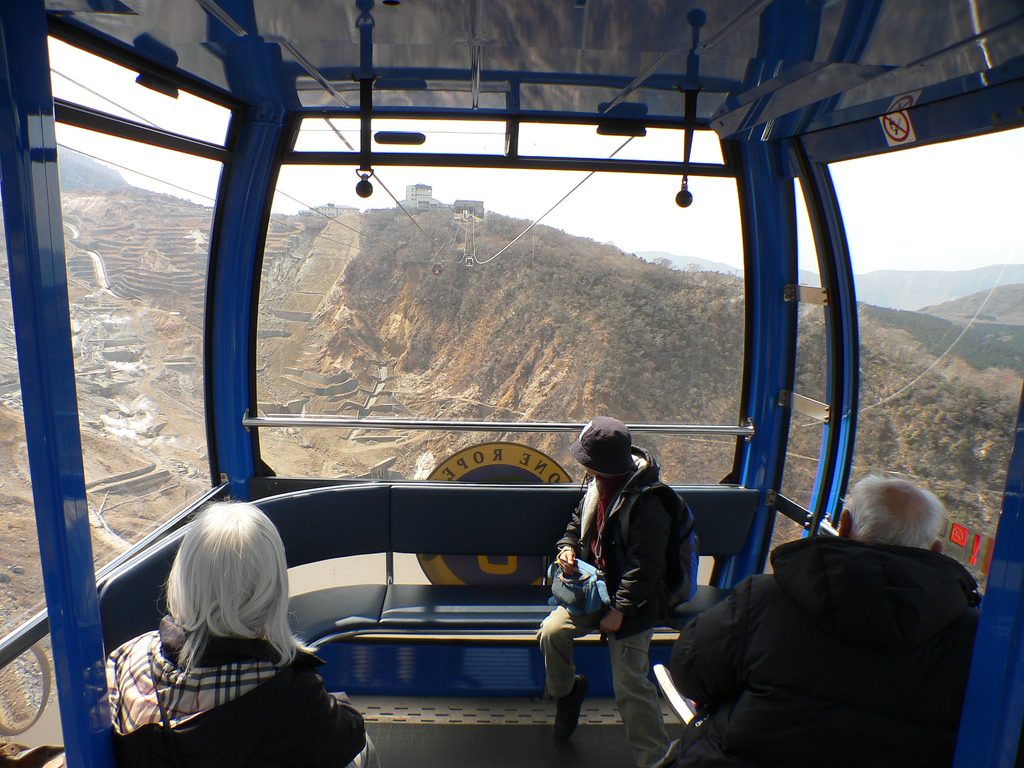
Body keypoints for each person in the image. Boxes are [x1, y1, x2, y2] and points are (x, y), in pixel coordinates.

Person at [667, 475, 981, 768]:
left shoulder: (765, 599)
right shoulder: (974, 639)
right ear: (936, 550)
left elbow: (690, 670)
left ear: (844, 527)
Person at [106, 501, 377, 768]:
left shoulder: (127, 657)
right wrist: (335, 703)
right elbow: (346, 739)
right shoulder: (290, 692)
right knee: (365, 750)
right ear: (272, 589)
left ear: (185, 577)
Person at [538, 416, 674, 768]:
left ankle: (655, 759)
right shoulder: (597, 486)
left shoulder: (648, 503)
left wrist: (621, 611)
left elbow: (646, 566)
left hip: (635, 604)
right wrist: (567, 548)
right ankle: (568, 693)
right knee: (551, 634)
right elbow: (574, 525)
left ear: (602, 463)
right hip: (591, 591)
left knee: (630, 685)